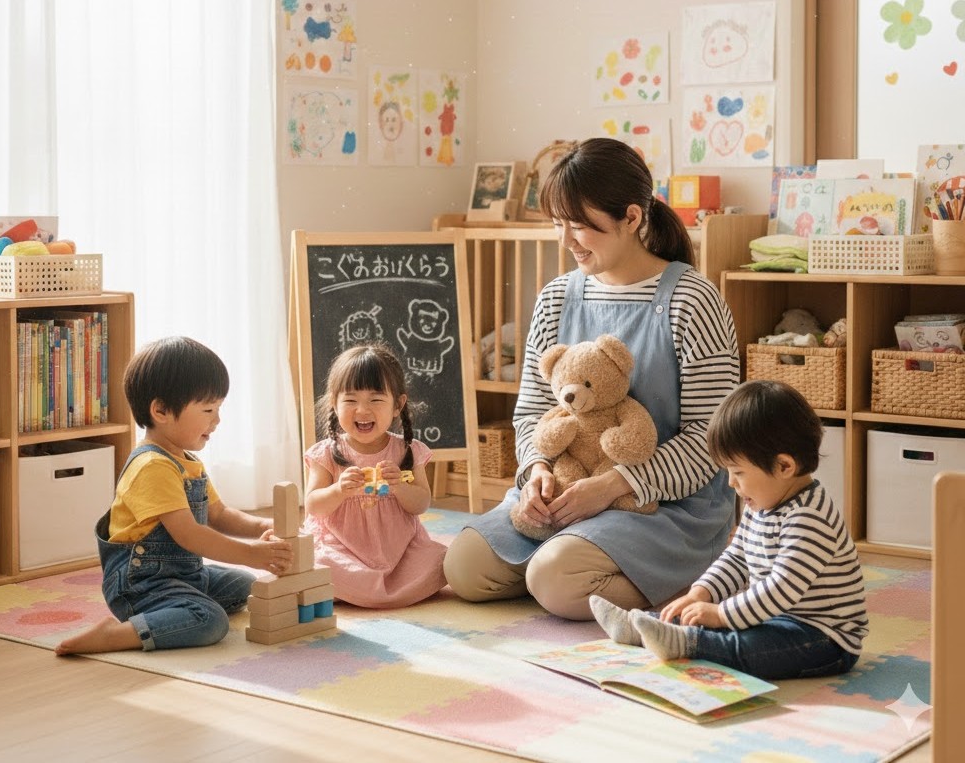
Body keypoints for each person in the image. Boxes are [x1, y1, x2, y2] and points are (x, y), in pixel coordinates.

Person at [443, 137, 741, 620]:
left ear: (631, 218)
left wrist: (611, 487)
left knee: (554, 581)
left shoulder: (692, 299)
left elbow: (713, 441)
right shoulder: (558, 296)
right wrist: (537, 470)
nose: (566, 241)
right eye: (559, 225)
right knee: (465, 568)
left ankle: (693, 576)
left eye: (579, 226)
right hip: (566, 487)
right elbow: (534, 412)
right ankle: (577, 560)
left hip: (665, 505)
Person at [590, 380, 868, 680]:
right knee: (706, 617)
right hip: (774, 618)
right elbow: (736, 559)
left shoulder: (810, 518)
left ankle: (686, 642)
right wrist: (701, 594)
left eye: (737, 473)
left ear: (784, 466)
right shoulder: (761, 504)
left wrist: (721, 614)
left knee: (743, 646)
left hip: (825, 638)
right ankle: (649, 624)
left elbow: (780, 588)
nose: (732, 484)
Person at [55, 337, 293, 655]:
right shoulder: (151, 466)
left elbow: (218, 514)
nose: (217, 420)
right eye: (209, 409)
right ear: (162, 411)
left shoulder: (187, 461)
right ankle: (116, 635)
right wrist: (252, 554)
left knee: (244, 586)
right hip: (140, 583)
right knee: (210, 621)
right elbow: (190, 535)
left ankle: (179, 606)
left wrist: (261, 526)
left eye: (219, 409)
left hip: (184, 574)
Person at [303, 343, 446, 608]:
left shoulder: (408, 451)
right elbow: (313, 505)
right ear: (334, 404)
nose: (362, 410)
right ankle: (364, 586)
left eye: (376, 399)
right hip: (343, 549)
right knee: (318, 564)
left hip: (399, 551)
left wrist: (399, 487)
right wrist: (339, 490)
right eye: (351, 400)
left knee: (442, 561)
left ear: (397, 405)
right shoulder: (326, 453)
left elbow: (420, 504)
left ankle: (363, 589)